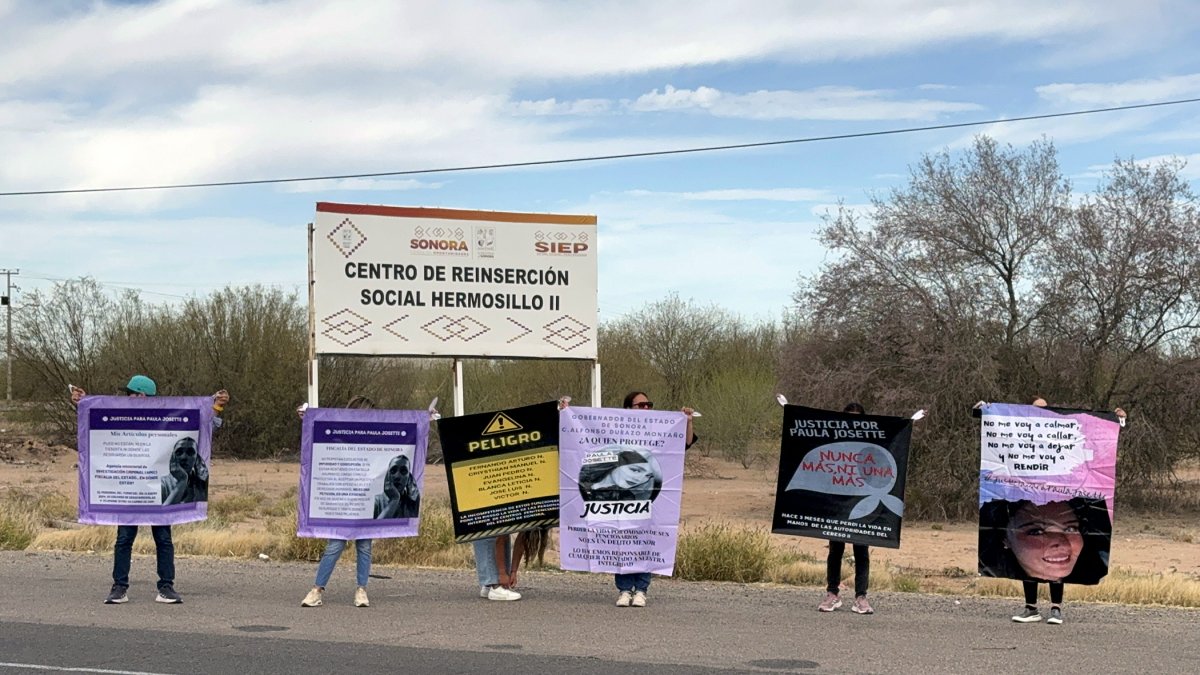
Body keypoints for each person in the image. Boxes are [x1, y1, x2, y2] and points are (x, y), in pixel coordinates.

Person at [71, 375, 229, 605]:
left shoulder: (165, 414)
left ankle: (166, 586)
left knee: (163, 538)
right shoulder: (122, 414)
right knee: (124, 538)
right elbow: (92, 419)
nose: (128, 398)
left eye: (132, 394)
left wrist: (215, 406)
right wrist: (82, 402)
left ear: (142, 395)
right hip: (130, 489)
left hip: (157, 488)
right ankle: (119, 587)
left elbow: (202, 423)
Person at [974, 396, 1125, 625]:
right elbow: (995, 428)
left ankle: (1056, 609)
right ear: (1004, 535)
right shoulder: (1017, 428)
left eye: (1072, 527)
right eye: (1035, 531)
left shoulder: (1064, 429)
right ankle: (1031, 608)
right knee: (1031, 571)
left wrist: (1116, 420)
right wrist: (984, 412)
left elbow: (1097, 435)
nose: (1059, 541)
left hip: (1051, 490)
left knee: (1053, 565)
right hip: (1026, 490)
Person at [611, 390, 696, 608]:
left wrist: (685, 421)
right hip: (624, 495)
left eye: (649, 404)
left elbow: (683, 445)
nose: (646, 408)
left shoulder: (660, 429)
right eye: (640, 405)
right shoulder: (614, 427)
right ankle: (624, 589)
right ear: (628, 408)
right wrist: (568, 414)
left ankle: (641, 589)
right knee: (623, 541)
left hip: (651, 496)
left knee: (645, 540)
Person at [301, 395, 379, 608]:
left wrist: (423, 422)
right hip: (341, 498)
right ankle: (317, 589)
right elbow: (317, 433)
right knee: (334, 545)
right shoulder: (339, 431)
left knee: (364, 546)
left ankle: (361, 590)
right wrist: (306, 418)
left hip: (365, 497)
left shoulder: (374, 435)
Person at [818, 402, 875, 615]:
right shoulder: (837, 442)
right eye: (849, 417)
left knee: (861, 550)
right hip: (838, 504)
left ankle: (861, 597)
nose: (853, 421)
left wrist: (910, 422)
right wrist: (788, 409)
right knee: (835, 550)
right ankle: (832, 593)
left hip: (862, 503)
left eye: (857, 417)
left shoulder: (870, 441)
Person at [579, 448, 662, 502]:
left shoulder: (627, 498)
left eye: (648, 476)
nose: (639, 479)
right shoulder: (581, 483)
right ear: (616, 464)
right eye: (635, 470)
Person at [161, 436, 208, 505]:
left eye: (190, 452)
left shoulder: (202, 486)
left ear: (197, 458)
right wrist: (182, 481)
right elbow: (160, 514)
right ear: (172, 457)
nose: (184, 457)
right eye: (179, 452)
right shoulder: (163, 484)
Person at [373, 454, 420, 519]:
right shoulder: (376, 502)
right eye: (393, 471)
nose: (397, 476)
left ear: (409, 477)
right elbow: (376, 527)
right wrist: (394, 500)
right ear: (387, 475)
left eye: (403, 471)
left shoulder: (412, 504)